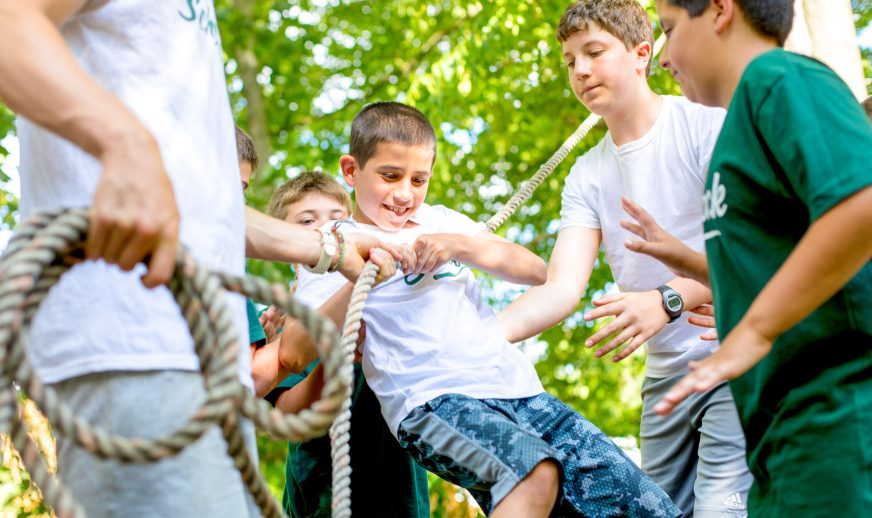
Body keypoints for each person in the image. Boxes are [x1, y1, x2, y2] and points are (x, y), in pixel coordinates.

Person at [0, 2, 397, 516]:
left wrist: (329, 249)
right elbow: (0, 28)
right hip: (137, 347)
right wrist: (124, 145)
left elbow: (205, 204)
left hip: (210, 371)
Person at [283, 101, 680, 517]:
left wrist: (457, 243)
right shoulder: (335, 241)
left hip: (518, 391)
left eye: (419, 180)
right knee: (532, 473)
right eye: (390, 176)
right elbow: (293, 351)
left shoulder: (441, 220)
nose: (404, 194)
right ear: (351, 170)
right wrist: (358, 274)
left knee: (648, 507)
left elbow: (536, 271)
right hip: (433, 400)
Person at [495, 1, 750, 514]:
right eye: (569, 61)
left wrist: (668, 299)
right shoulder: (586, 175)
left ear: (641, 54)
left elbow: (745, 243)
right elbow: (562, 288)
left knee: (723, 510)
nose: (581, 70)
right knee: (651, 510)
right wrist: (468, 343)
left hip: (731, 357)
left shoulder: (705, 126)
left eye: (593, 51)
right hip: (664, 382)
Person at [622, 0, 872, 515]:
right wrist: (690, 261)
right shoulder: (737, 131)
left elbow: (861, 203)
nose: (664, 57)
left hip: (838, 412)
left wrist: (753, 331)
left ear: (719, 10)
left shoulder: (778, 78)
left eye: (669, 29)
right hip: (775, 434)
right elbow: (773, 260)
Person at [252, 170, 430, 518]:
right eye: (307, 221)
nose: (328, 229)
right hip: (324, 491)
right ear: (286, 246)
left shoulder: (390, 296)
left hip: (401, 487)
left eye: (339, 219)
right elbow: (291, 410)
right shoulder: (286, 320)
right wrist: (341, 356)